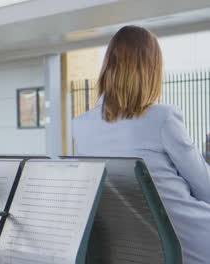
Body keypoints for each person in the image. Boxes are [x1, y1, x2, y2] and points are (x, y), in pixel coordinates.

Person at [73, 25, 210, 263]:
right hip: (188, 242)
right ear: (151, 69)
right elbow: (205, 187)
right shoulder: (162, 118)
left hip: (131, 247)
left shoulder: (81, 126)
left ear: (107, 67)